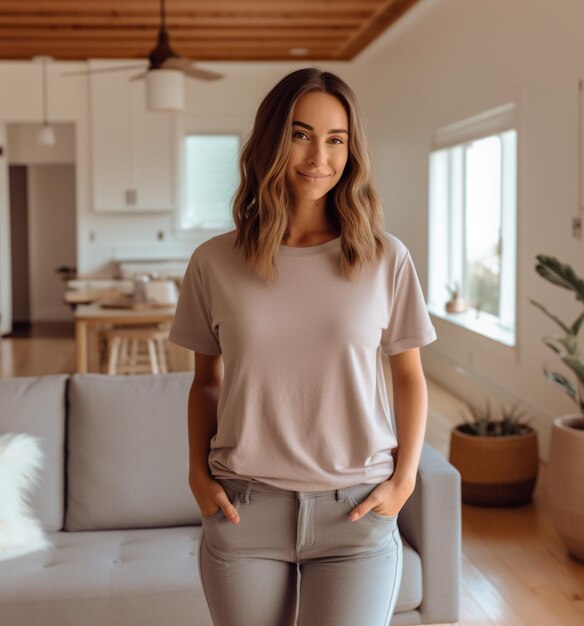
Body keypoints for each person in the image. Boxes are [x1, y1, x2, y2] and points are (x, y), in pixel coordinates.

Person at [168, 66, 437, 626]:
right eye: (300, 133)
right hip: (244, 511)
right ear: (272, 140)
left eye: (336, 139)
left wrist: (405, 477)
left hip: (355, 514)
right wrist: (197, 473)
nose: (319, 156)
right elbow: (206, 382)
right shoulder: (214, 262)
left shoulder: (386, 258)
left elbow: (409, 377)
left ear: (351, 149)